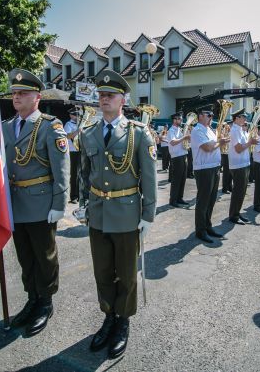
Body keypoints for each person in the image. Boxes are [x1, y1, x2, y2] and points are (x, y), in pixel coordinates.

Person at [78, 69, 156, 359]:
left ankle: (123, 321)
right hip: (98, 214)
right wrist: (84, 204)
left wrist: (148, 215)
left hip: (126, 214)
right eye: (101, 95)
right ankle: (108, 315)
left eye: (110, 95)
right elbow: (84, 175)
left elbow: (148, 178)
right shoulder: (89, 133)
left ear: (123, 99)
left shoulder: (138, 133)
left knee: (125, 274)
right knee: (102, 272)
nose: (104, 99)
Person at [2, 68, 70, 337]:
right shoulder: (7, 126)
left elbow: (61, 169)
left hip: (41, 204)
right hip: (16, 204)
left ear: (37, 97)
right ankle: (32, 298)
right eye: (15, 93)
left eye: (23, 93)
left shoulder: (50, 126)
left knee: (44, 256)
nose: (16, 97)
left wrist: (59, 204)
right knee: (25, 256)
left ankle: (45, 302)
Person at [190, 105, 230, 243]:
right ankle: (200, 231)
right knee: (203, 200)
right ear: (200, 115)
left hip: (214, 167)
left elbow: (214, 145)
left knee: (211, 200)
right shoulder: (197, 130)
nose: (211, 118)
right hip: (204, 169)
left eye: (212, 116)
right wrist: (220, 142)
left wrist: (220, 142)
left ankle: (208, 226)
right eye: (209, 115)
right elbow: (207, 148)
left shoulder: (210, 130)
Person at [228, 108, 258, 225]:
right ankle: (233, 215)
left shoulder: (240, 130)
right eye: (243, 117)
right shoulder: (234, 131)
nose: (245, 119)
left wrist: (250, 141)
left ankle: (237, 212)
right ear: (237, 118)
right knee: (238, 191)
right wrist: (250, 143)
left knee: (241, 191)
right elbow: (239, 148)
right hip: (238, 165)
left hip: (244, 163)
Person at [167, 112, 190, 208]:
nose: (181, 121)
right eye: (180, 119)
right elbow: (172, 142)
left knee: (183, 179)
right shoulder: (171, 130)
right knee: (176, 180)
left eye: (181, 119)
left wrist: (187, 136)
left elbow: (185, 141)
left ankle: (179, 198)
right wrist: (184, 137)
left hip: (184, 155)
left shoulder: (180, 130)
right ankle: (173, 200)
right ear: (174, 120)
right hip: (177, 157)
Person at [64, 107, 81, 203]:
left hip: (81, 151)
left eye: (78, 115)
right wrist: (77, 131)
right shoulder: (68, 124)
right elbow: (67, 136)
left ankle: (80, 194)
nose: (77, 117)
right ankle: (73, 196)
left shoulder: (80, 124)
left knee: (81, 174)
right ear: (71, 115)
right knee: (74, 174)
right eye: (75, 115)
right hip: (73, 151)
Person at [220, 121, 233, 194]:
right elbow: (223, 140)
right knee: (226, 172)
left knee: (230, 171)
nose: (229, 127)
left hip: (230, 153)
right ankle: (224, 188)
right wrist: (228, 137)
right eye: (228, 125)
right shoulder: (222, 132)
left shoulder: (230, 132)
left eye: (230, 125)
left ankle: (230, 186)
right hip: (225, 153)